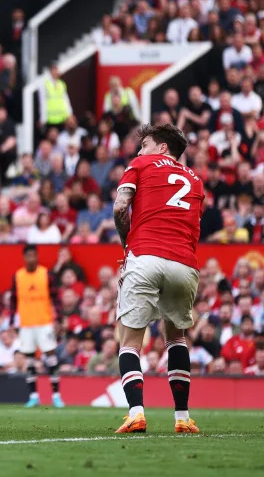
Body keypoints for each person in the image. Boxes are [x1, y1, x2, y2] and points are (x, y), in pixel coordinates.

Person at [112, 123, 204, 434]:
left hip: (146, 255)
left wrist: (127, 245)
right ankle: (182, 418)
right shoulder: (195, 180)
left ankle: (136, 413)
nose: (140, 151)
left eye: (145, 144)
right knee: (176, 338)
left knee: (130, 343)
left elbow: (120, 206)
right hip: (184, 263)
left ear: (162, 148)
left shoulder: (140, 164)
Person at [11, 245, 64, 408]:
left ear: (37, 256)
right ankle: (33, 396)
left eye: (34, 255)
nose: (31, 259)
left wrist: (59, 319)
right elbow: (13, 300)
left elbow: (56, 298)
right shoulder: (18, 276)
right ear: (24, 257)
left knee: (51, 356)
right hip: (26, 323)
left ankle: (56, 396)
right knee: (30, 359)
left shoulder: (46, 274)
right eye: (28, 256)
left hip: (45, 322)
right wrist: (11, 320)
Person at [40, 64, 72, 128]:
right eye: (53, 70)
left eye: (56, 70)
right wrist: (43, 118)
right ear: (50, 72)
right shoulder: (45, 84)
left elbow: (65, 100)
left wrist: (69, 114)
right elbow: (42, 101)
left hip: (62, 118)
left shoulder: (62, 84)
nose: (55, 72)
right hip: (50, 119)